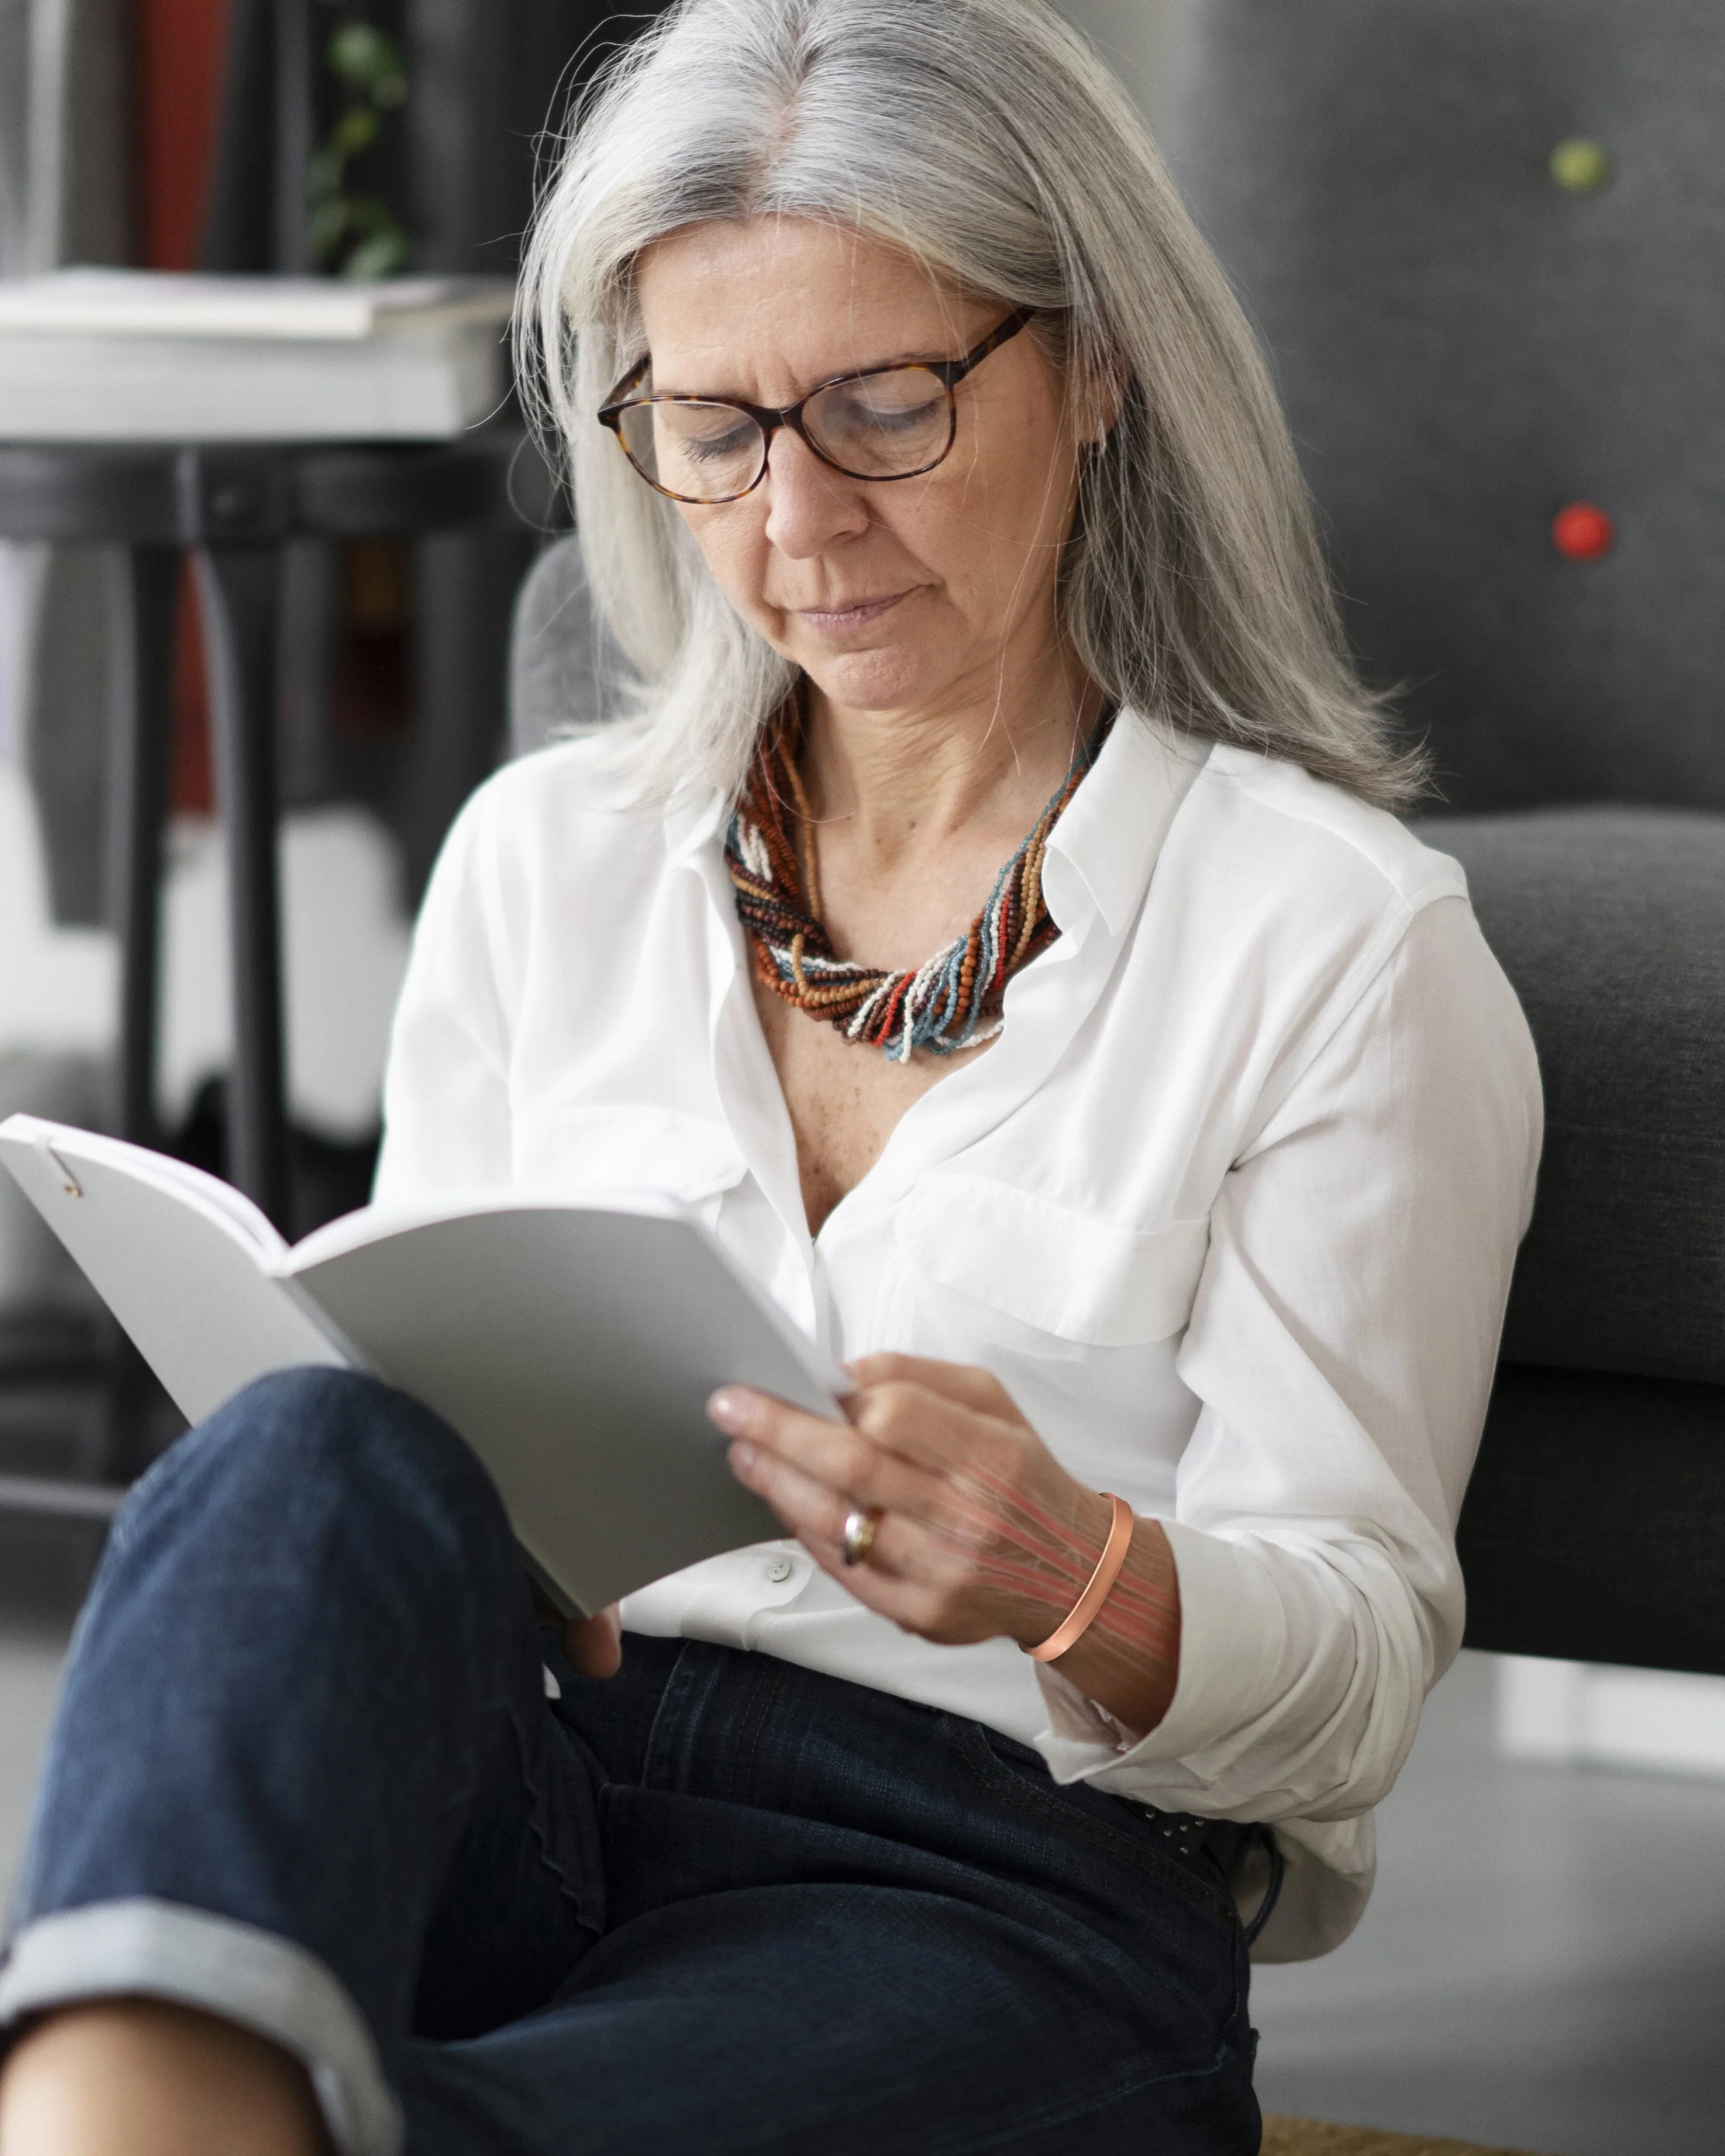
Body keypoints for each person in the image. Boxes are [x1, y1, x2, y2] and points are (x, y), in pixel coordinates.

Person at [0, 1, 1542, 2150]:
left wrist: (1076, 1570)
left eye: (880, 406)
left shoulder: (1331, 941)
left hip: (978, 1888)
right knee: (306, 1451)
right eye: (710, 428)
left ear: (1090, 368)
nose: (793, 517)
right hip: (535, 1794)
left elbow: (1357, 1675)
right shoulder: (547, 862)